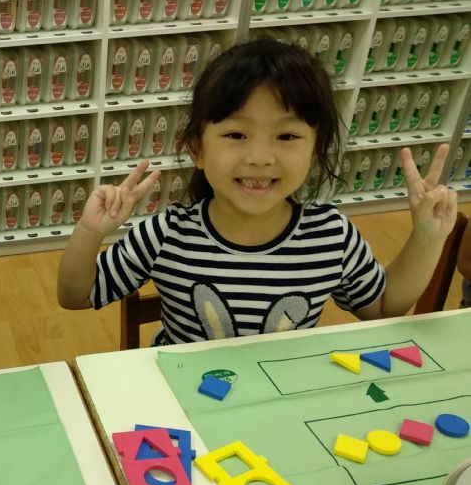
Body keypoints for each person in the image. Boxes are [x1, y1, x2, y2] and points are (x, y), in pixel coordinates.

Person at [57, 37, 458, 344]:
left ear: (315, 150)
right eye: (236, 134)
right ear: (197, 149)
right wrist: (91, 231)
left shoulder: (331, 236)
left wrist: (426, 237)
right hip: (182, 394)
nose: (261, 157)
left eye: (287, 136)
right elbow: (76, 295)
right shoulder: (167, 234)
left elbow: (383, 308)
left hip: (279, 393)